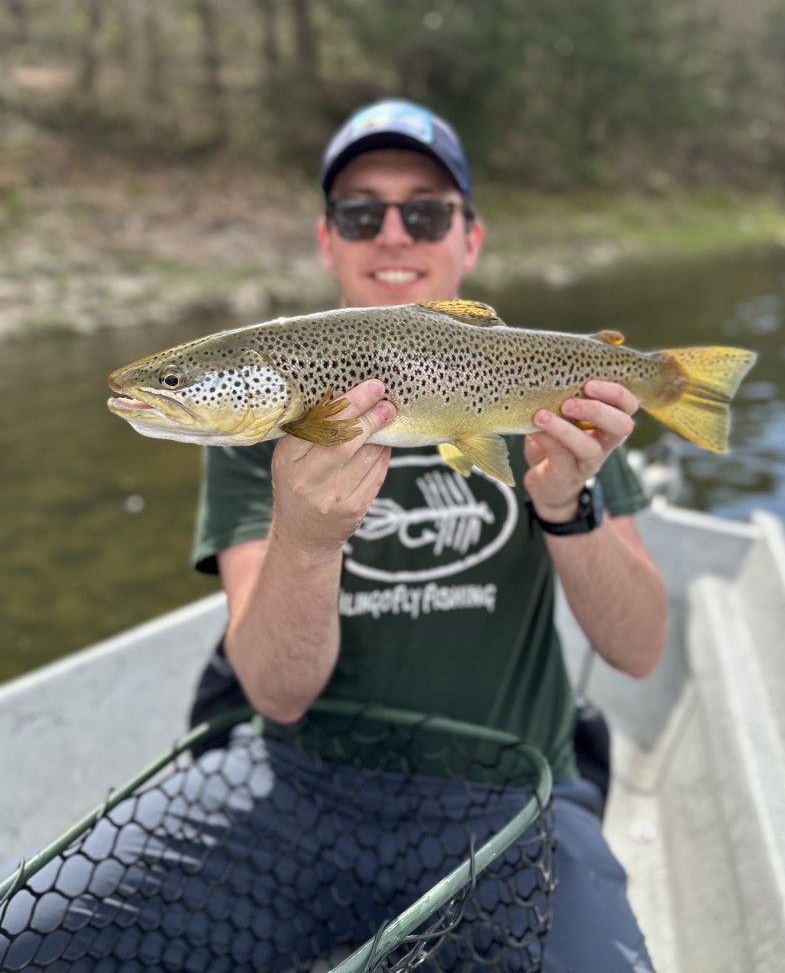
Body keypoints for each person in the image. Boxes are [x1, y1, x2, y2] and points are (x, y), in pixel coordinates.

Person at [0, 100, 663, 973]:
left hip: (514, 803)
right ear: (328, 241)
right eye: (362, 213)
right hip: (300, 785)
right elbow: (275, 693)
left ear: (470, 238)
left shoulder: (558, 401)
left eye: (425, 211)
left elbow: (641, 650)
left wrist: (564, 504)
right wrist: (306, 540)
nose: (394, 234)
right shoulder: (260, 435)